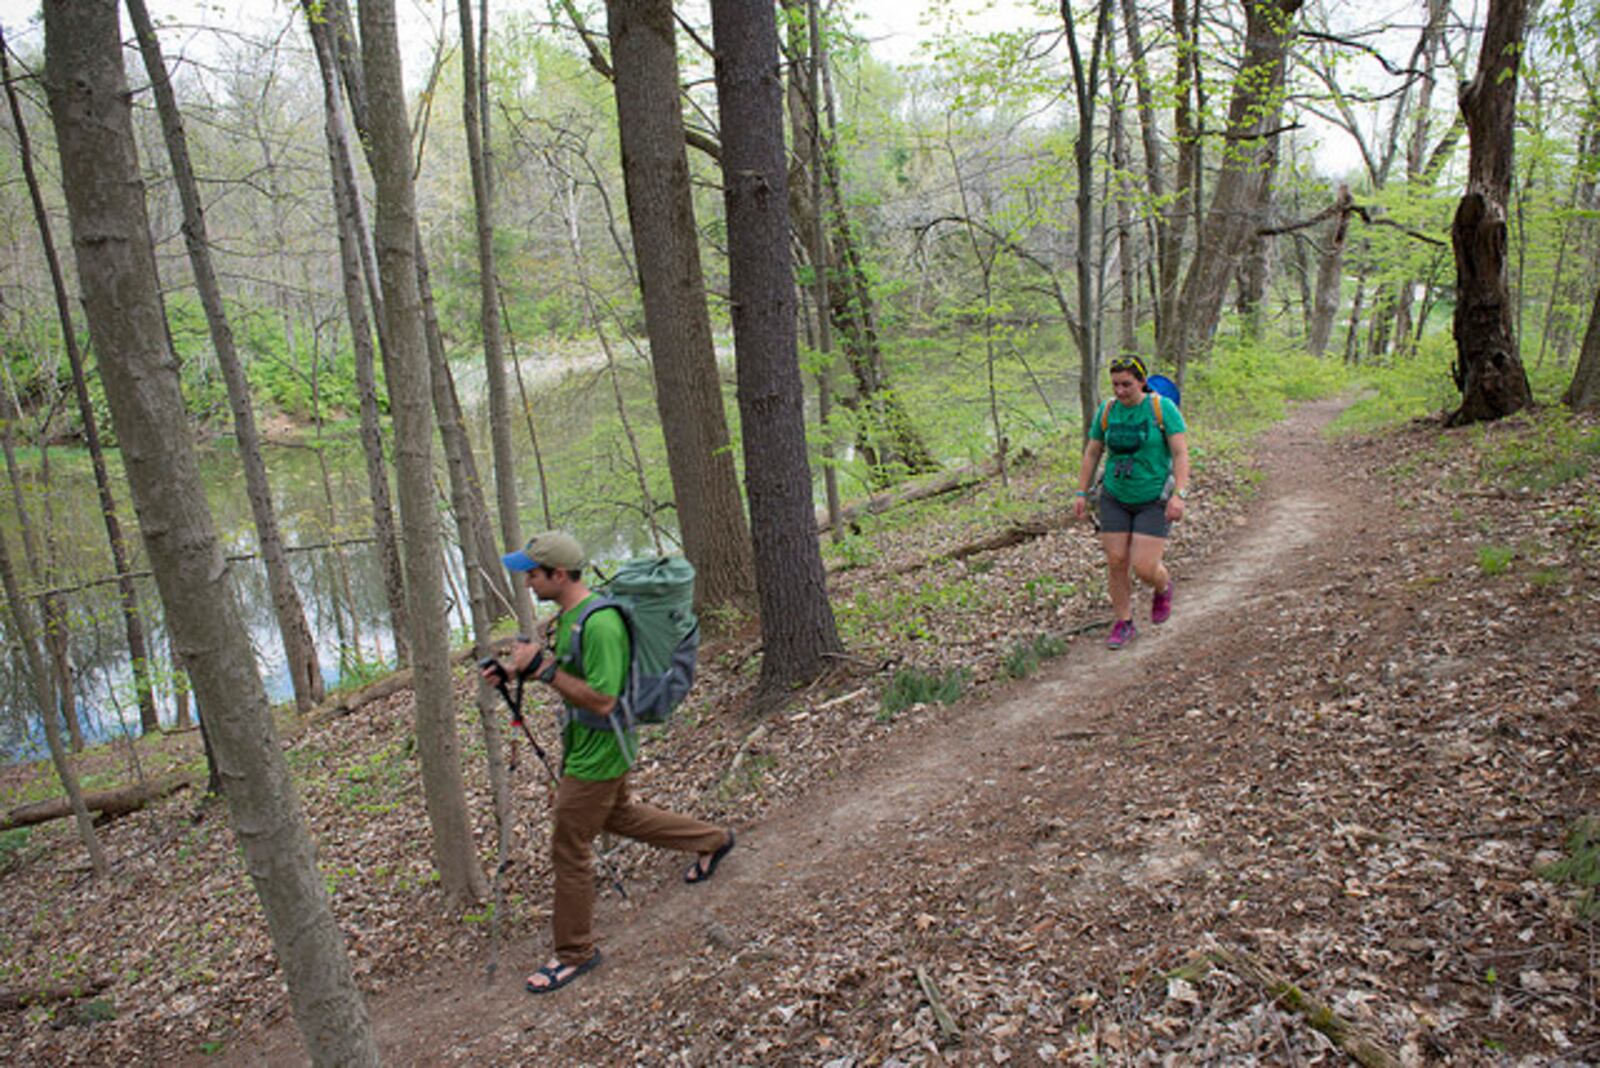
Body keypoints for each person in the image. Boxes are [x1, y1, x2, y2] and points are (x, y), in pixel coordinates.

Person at [484, 530, 735, 994]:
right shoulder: (574, 615)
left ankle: (574, 952)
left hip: (599, 752)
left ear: (559, 575)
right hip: (588, 746)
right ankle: (714, 840)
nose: (527, 583)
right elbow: (571, 674)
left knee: (569, 846)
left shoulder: (599, 624)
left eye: (533, 574)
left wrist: (545, 670)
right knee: (620, 816)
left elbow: (602, 699)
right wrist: (517, 671)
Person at [1072, 354, 1190, 649]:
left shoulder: (1162, 409)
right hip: (1114, 495)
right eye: (1115, 385)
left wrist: (1180, 495)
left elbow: (1180, 454)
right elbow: (1092, 452)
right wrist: (1081, 492)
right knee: (1116, 561)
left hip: (1153, 497)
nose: (1120, 391)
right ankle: (1123, 622)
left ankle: (1162, 586)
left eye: (1127, 384)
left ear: (1142, 382)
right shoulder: (1107, 411)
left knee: (1144, 567)